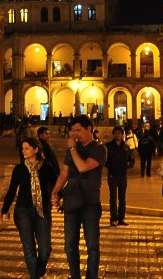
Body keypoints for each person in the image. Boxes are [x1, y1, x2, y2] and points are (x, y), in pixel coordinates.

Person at [50, 114, 106, 279]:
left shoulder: (99, 149)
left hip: (90, 202)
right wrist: (55, 192)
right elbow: (64, 173)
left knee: (92, 246)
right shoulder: (72, 149)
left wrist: (73, 148)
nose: (75, 134)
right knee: (69, 245)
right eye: (73, 131)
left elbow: (82, 167)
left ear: (89, 129)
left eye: (79, 130)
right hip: (71, 201)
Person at [2, 137, 57, 279]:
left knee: (45, 249)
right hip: (23, 211)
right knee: (29, 249)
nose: (23, 151)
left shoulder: (47, 168)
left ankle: (36, 271)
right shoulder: (19, 169)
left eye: (26, 148)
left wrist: (57, 197)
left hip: (42, 211)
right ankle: (36, 275)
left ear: (36, 149)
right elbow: (11, 190)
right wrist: (5, 210)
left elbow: (58, 186)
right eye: (22, 149)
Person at [104, 126, 130, 227]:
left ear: (122, 135)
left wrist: (128, 164)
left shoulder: (126, 147)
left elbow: (131, 159)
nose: (117, 135)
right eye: (115, 133)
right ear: (113, 134)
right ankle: (113, 219)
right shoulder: (108, 146)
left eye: (119, 133)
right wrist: (111, 166)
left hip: (123, 175)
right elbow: (104, 160)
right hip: (112, 175)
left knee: (122, 198)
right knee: (113, 198)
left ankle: (121, 218)